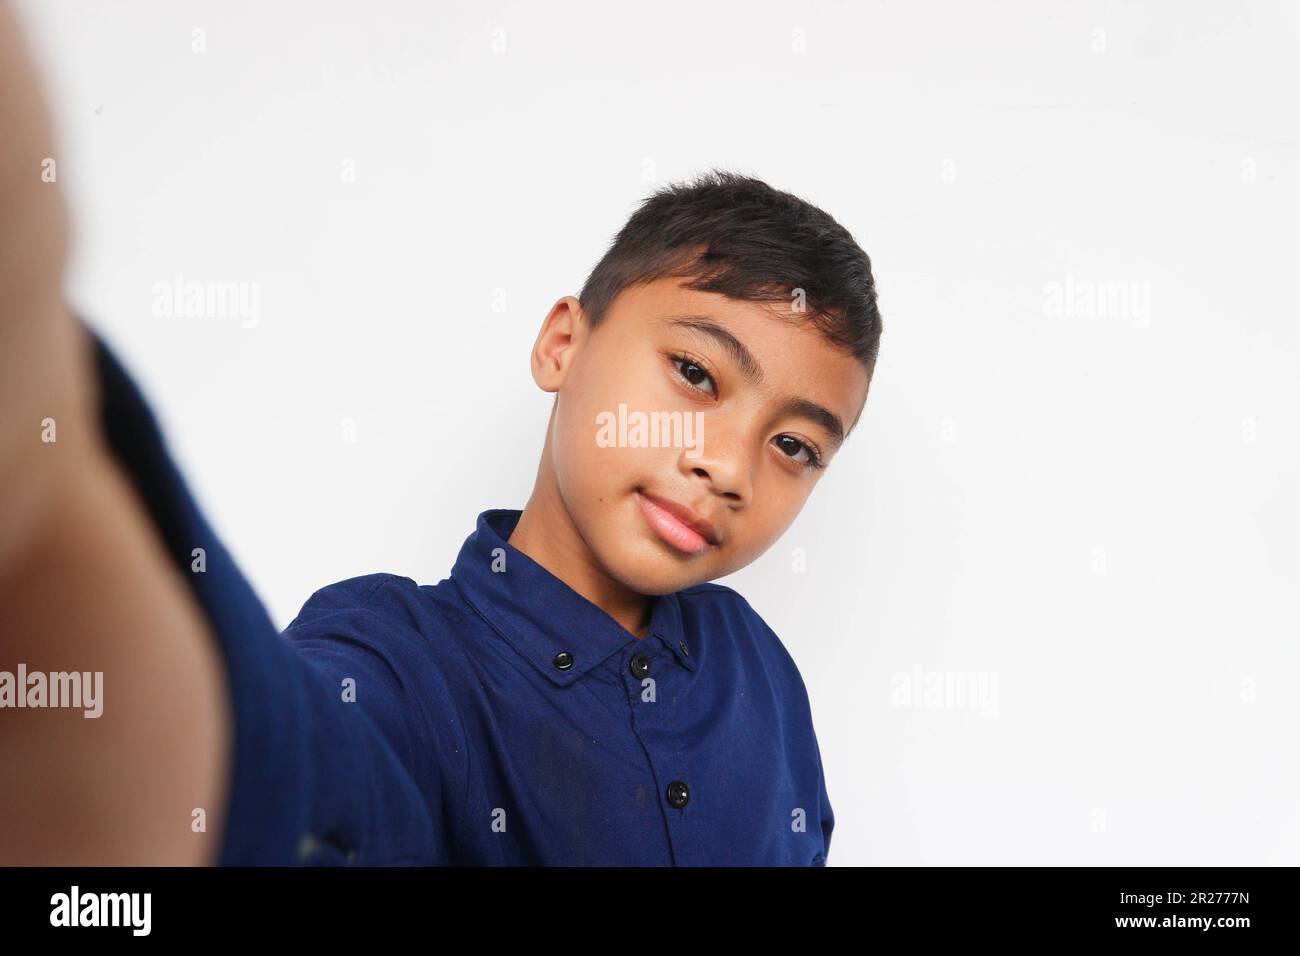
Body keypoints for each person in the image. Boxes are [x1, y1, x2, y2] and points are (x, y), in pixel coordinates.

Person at [0, 2, 881, 865]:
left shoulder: (758, 670)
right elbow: (279, 781)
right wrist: (57, 456)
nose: (727, 465)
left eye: (795, 446)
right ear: (562, 343)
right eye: (694, 374)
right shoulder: (397, 657)